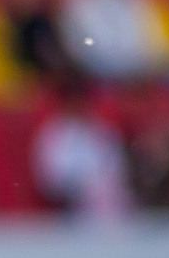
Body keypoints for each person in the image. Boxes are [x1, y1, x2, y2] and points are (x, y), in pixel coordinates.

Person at [58, 0, 169, 84]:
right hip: (95, 67)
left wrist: (146, 61)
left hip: (137, 67)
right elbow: (80, 41)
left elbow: (151, 31)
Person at [31, 80, 132, 225]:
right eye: (73, 102)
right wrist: (81, 187)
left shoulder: (101, 130)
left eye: (81, 102)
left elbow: (117, 167)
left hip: (107, 203)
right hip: (68, 209)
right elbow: (49, 178)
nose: (77, 107)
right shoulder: (52, 134)